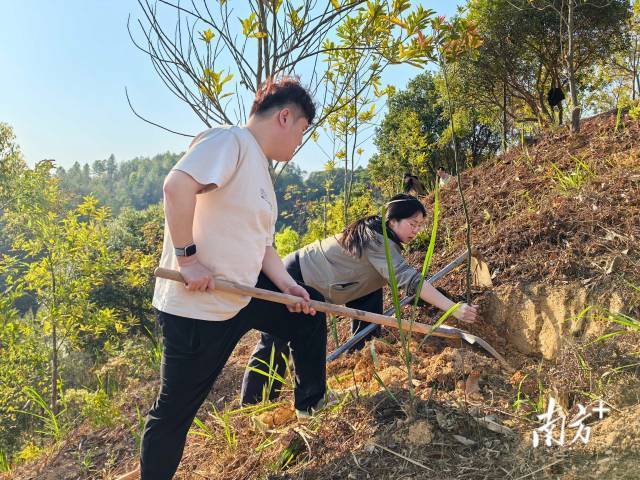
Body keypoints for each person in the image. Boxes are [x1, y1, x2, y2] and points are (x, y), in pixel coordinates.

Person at [122, 77, 328, 480]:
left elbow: (263, 246)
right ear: (285, 117)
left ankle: (310, 411)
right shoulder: (230, 141)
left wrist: (288, 287)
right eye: (302, 131)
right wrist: (188, 260)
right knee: (175, 412)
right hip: (198, 306)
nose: (299, 142)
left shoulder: (262, 173)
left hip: (242, 293)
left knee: (308, 313)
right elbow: (176, 187)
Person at [240, 193, 478, 406]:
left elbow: (407, 283)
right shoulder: (377, 240)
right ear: (392, 221)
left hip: (344, 284)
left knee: (371, 307)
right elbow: (409, 279)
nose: (416, 231)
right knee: (276, 340)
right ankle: (254, 402)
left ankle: (358, 367)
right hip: (295, 276)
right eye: (412, 224)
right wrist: (452, 308)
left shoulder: (381, 239)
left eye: (420, 226)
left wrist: (442, 300)